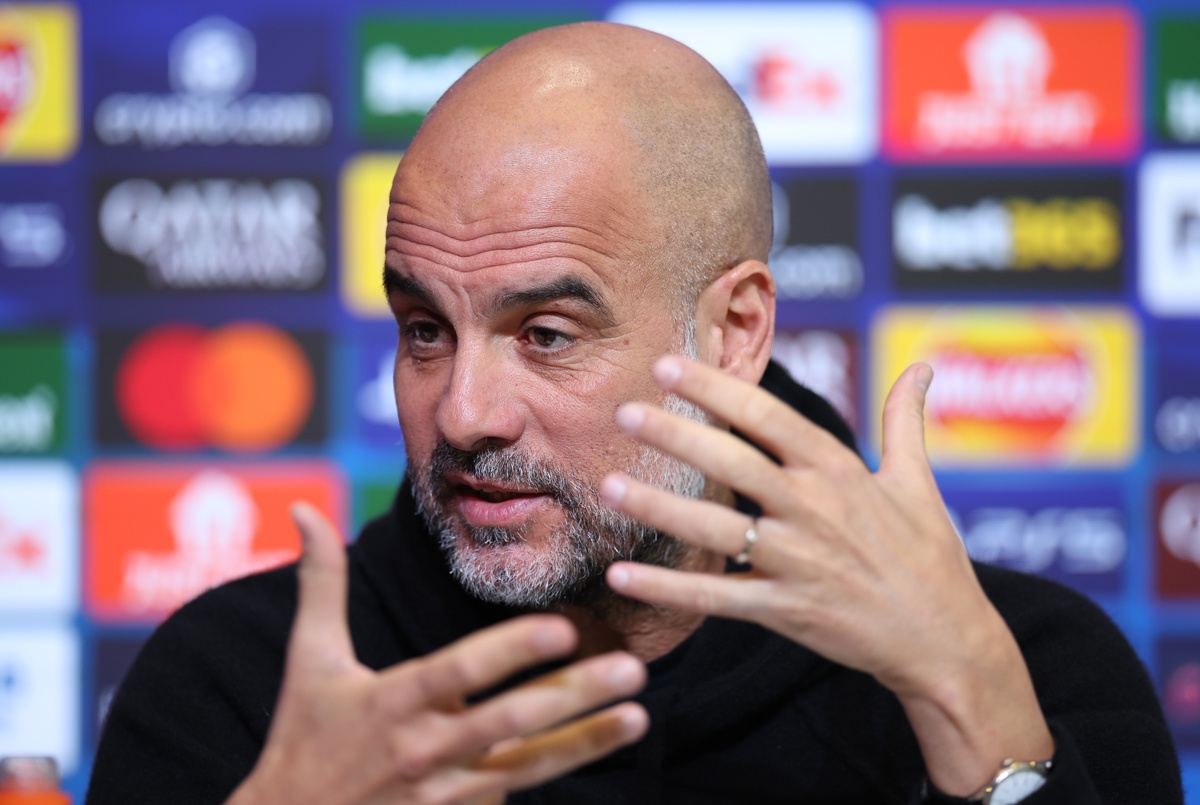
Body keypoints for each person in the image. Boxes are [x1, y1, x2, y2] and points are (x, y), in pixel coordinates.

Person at [88, 22, 1182, 805]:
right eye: (425, 329)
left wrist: (982, 723)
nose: (464, 412)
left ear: (736, 330)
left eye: (547, 335)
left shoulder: (1023, 662)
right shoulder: (245, 689)